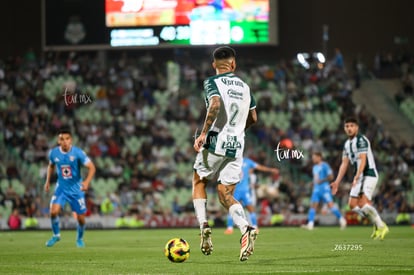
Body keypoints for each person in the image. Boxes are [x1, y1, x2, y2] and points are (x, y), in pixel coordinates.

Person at [192, 46, 258, 262]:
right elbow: (254, 118)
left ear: (214, 65)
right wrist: (238, 131)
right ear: (233, 64)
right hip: (237, 145)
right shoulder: (246, 87)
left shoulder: (212, 82)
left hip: (214, 140)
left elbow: (216, 103)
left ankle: (203, 226)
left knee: (199, 181)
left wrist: (203, 134)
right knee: (225, 194)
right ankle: (246, 228)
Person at [330, 117, 389, 240]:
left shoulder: (361, 140)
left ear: (357, 127)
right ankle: (377, 223)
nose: (349, 128)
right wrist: (336, 182)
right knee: (352, 205)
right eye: (347, 126)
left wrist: (357, 176)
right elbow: (344, 164)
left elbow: (363, 160)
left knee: (362, 204)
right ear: (344, 128)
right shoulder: (347, 144)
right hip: (359, 177)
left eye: (352, 125)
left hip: (368, 174)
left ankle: (381, 226)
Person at [44, 128, 96, 248]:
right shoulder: (54, 153)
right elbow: (51, 166)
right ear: (58, 141)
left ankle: (79, 239)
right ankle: (56, 235)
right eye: (62, 139)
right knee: (53, 212)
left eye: (67, 139)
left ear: (71, 140)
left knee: (81, 219)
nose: (65, 141)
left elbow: (92, 167)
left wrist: (87, 182)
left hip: (76, 190)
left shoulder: (78, 153)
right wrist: (47, 181)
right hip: (61, 188)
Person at [224, 157, 279, 234]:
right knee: (234, 209)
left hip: (243, 190)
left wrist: (271, 170)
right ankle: (230, 228)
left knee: (248, 209)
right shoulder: (239, 162)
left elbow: (259, 167)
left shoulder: (241, 161)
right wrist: (271, 170)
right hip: (238, 190)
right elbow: (259, 167)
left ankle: (254, 227)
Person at [301, 152, 347, 230]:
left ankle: (342, 220)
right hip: (316, 189)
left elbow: (331, 177)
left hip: (324, 189)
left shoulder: (325, 165)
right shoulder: (314, 167)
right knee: (313, 206)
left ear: (319, 157)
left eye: (314, 157)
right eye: (313, 158)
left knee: (330, 205)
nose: (313, 159)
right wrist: (313, 183)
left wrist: (321, 181)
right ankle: (310, 224)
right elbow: (316, 179)